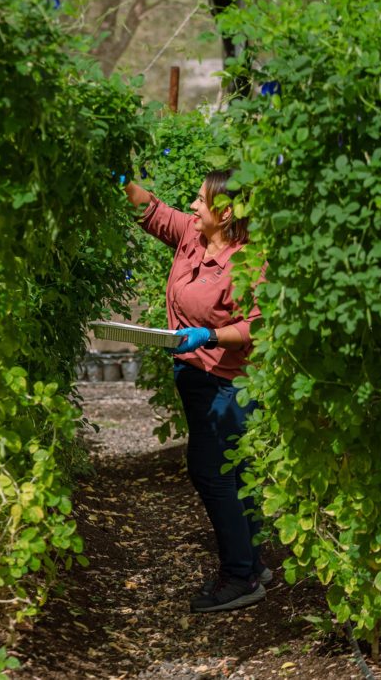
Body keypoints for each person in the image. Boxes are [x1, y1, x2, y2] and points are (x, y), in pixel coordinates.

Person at [124, 169, 269, 613]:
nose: (193, 205)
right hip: (196, 377)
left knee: (211, 471)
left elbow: (257, 325)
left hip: (227, 382)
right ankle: (253, 562)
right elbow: (153, 211)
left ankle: (240, 576)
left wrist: (210, 335)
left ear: (224, 213)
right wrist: (118, 176)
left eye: (201, 201)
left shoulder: (249, 262)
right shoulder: (193, 235)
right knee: (235, 472)